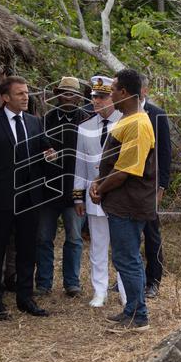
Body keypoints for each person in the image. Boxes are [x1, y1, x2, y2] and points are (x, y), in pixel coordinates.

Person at [0, 76, 55, 320]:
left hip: (30, 198)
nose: (25, 97)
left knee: (27, 249)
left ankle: (25, 298)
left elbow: (43, 151)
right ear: (5, 97)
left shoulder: (35, 122)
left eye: (27, 93)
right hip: (1, 199)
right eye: (20, 93)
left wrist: (50, 155)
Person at [91, 69, 156, 333]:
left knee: (127, 259)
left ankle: (139, 316)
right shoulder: (129, 120)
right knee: (125, 258)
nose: (110, 93)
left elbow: (127, 169)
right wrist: (99, 183)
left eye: (114, 88)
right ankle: (132, 310)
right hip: (123, 202)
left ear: (125, 93)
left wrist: (100, 187)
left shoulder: (139, 124)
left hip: (130, 204)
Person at [36, 76, 90, 296]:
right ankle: (44, 282)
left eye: (74, 94)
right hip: (48, 191)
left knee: (75, 238)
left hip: (75, 191)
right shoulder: (45, 119)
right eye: (65, 92)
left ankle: (72, 282)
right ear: (57, 94)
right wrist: (45, 154)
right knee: (43, 238)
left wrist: (81, 195)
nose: (69, 97)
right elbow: (36, 148)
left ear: (79, 98)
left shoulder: (87, 121)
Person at [74, 75, 123, 307]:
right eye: (94, 97)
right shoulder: (84, 127)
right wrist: (78, 197)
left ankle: (125, 290)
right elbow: (80, 165)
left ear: (112, 97)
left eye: (102, 97)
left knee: (123, 247)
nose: (97, 101)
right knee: (98, 247)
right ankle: (100, 291)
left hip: (119, 194)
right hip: (94, 197)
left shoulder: (126, 122)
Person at [140, 78, 172, 299]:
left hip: (150, 185)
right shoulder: (120, 112)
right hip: (126, 185)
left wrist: (161, 186)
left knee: (151, 234)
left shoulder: (156, 113)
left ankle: (153, 280)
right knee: (128, 235)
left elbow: (165, 152)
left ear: (145, 90)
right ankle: (127, 279)